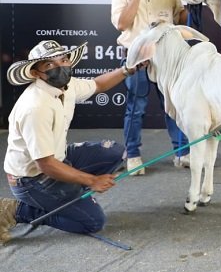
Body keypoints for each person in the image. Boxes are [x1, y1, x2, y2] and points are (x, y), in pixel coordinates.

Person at [1, 40, 133, 243]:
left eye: (63, 60)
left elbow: (98, 84)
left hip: (58, 158)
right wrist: (92, 181)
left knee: (115, 152)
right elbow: (45, 165)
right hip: (31, 179)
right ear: (36, 74)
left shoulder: (66, 85)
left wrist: (128, 69)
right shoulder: (35, 107)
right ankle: (19, 210)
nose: (60, 67)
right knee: (93, 222)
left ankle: (69, 193)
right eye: (49, 65)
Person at [110, 0, 189, 174]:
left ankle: (182, 152)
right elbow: (122, 24)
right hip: (137, 58)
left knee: (173, 105)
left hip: (167, 56)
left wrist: (187, 11)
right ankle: (133, 155)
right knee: (136, 108)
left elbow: (181, 16)